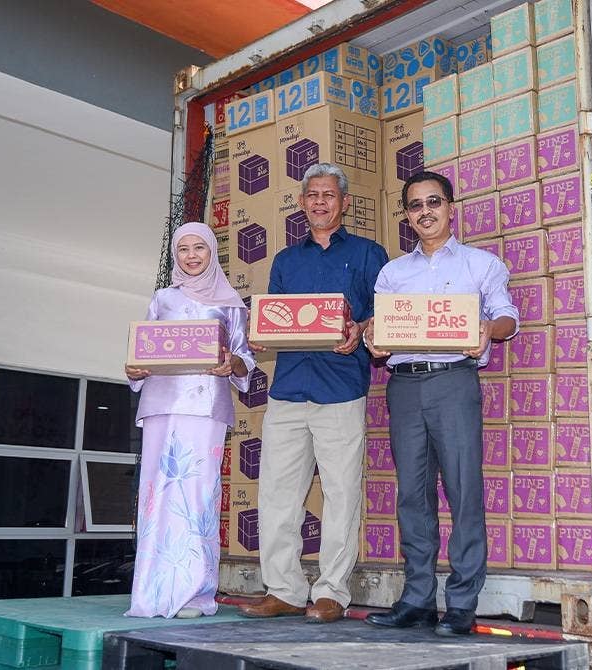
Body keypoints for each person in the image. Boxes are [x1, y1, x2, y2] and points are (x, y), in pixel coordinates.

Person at [363, 171, 518, 636]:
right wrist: (375, 339)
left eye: (434, 202)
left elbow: (508, 316)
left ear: (451, 207)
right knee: (412, 494)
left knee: (463, 490)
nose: (425, 211)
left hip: (454, 383)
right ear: (407, 215)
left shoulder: (480, 265)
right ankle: (416, 599)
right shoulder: (393, 272)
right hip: (404, 387)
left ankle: (463, 603)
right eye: (415, 205)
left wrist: (487, 330)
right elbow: (383, 330)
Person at [237, 163, 388, 623]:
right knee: (277, 494)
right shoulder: (286, 260)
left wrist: (359, 329)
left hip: (341, 388)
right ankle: (283, 588)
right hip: (287, 389)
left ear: (344, 203)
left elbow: (384, 315)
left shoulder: (368, 253)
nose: (320, 202)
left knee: (341, 494)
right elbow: (275, 318)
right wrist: (259, 335)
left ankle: (331, 593)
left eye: (329, 195)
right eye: (312, 195)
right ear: (301, 203)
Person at [124, 221, 255, 619]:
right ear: (176, 255)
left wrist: (230, 363)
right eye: (184, 249)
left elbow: (244, 357)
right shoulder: (162, 299)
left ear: (212, 253)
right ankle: (151, 590)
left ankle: (194, 593)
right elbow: (143, 349)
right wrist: (134, 370)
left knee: (197, 497)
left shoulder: (230, 302)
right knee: (156, 496)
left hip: (204, 407)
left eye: (200, 248)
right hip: (162, 403)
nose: (192, 256)